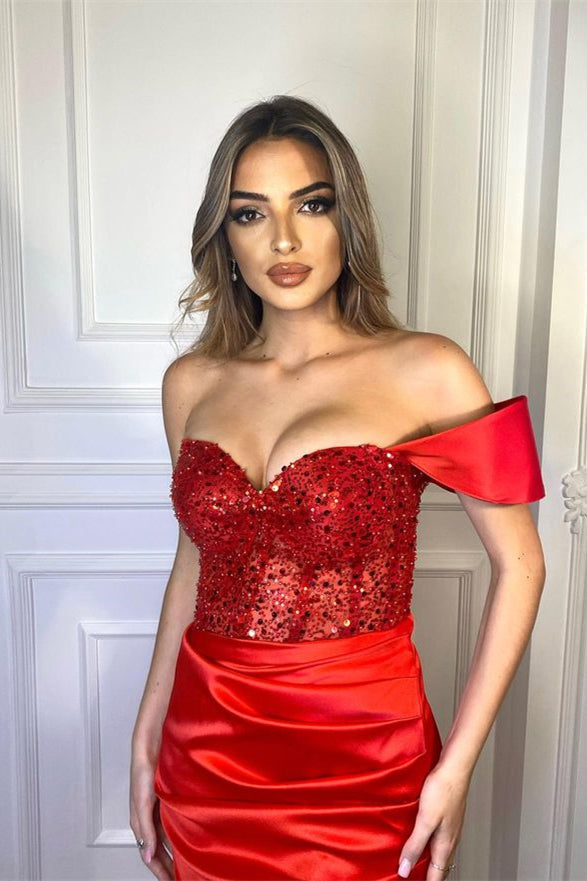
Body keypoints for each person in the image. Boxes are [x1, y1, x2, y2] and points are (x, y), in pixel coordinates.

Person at [129, 95, 546, 881]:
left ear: (346, 218)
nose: (283, 239)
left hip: (364, 760)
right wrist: (147, 730)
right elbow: (194, 562)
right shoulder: (191, 383)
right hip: (208, 754)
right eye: (250, 213)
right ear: (224, 236)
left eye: (310, 204)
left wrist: (455, 766)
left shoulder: (427, 369)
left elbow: (521, 564)